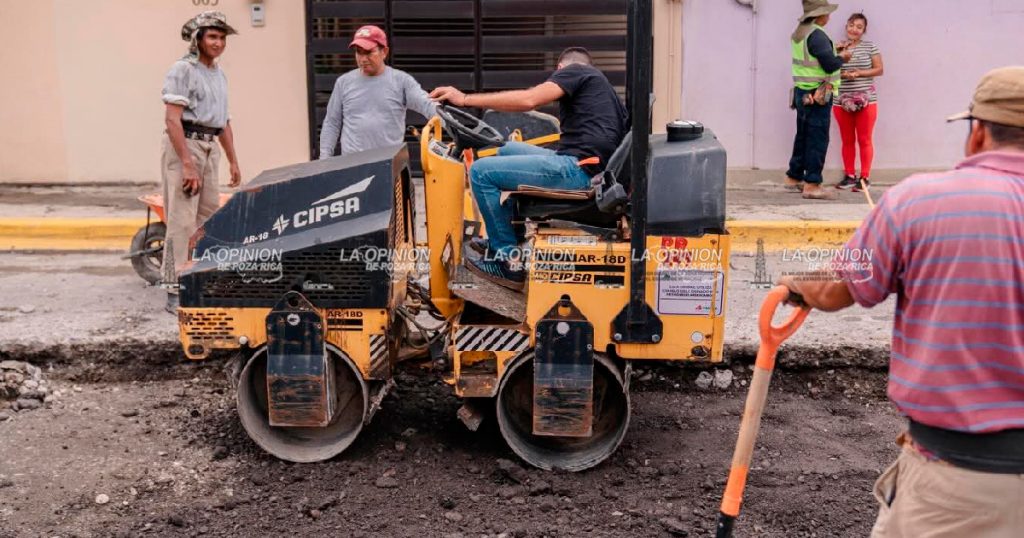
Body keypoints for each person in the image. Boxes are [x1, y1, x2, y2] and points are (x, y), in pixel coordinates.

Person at [780, 66, 1024, 537]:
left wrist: (798, 281)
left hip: (957, 488)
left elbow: (835, 289)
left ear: (976, 134)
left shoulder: (918, 201)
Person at [429, 47, 628, 290]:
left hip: (578, 171)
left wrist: (464, 99)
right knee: (506, 149)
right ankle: (510, 237)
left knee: (481, 172)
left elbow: (528, 100)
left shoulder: (575, 72)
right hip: (586, 166)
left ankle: (507, 261)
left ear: (560, 70)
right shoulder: (601, 86)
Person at [161, 11, 242, 312]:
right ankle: (174, 287)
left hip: (210, 147)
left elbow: (223, 122)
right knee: (182, 219)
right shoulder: (183, 70)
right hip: (187, 144)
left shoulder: (219, 74)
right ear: (198, 39)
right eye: (212, 36)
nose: (218, 43)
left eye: (222, 38)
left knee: (208, 219)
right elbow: (172, 120)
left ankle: (203, 279)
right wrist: (186, 163)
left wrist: (233, 161)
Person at [318, 25, 437, 159]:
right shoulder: (344, 83)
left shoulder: (401, 82)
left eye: (368, 52)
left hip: (387, 165)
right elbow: (332, 123)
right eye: (358, 52)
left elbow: (428, 106)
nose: (362, 59)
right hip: (352, 166)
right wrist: (324, 159)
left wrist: (454, 127)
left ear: (384, 52)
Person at [785, 0, 852, 200]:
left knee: (803, 135)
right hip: (818, 94)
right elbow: (830, 65)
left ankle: (794, 177)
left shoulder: (800, 32)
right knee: (817, 139)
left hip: (802, 93)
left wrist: (833, 50)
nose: (829, 16)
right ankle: (813, 184)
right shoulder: (817, 35)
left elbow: (814, 58)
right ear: (820, 15)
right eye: (827, 13)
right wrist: (843, 57)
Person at [834, 13, 884, 191]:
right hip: (841, 100)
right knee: (847, 139)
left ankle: (864, 178)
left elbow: (879, 69)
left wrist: (859, 73)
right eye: (851, 25)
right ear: (846, 26)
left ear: (864, 30)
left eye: (859, 27)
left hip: (866, 100)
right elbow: (828, 70)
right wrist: (838, 58)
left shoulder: (870, 46)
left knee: (864, 139)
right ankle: (849, 176)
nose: (854, 29)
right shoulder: (837, 47)